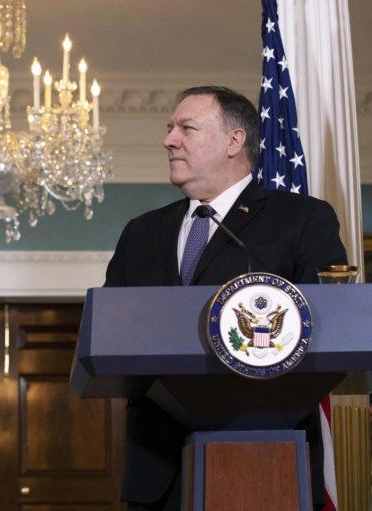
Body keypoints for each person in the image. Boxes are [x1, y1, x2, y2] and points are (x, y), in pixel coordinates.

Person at [104, 86, 347, 510]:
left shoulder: (302, 219)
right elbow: (111, 334)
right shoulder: (141, 233)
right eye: (169, 128)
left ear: (234, 141)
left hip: (270, 459)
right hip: (157, 470)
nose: (169, 139)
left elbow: (329, 329)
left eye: (186, 128)